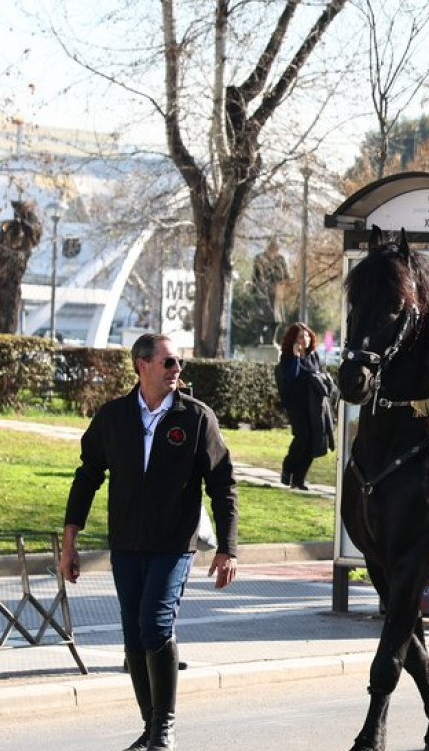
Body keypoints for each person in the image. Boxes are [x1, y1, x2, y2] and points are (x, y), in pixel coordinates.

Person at [59, 333, 239, 751]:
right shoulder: (113, 417)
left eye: (179, 364)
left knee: (155, 626)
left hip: (174, 544)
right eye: (169, 363)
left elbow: (223, 484)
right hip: (125, 544)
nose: (177, 370)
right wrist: (70, 544)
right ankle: (150, 725)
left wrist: (227, 546)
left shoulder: (195, 418)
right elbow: (86, 478)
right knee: (134, 636)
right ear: (142, 365)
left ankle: (165, 727)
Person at [274, 322, 335, 490]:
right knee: (302, 437)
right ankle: (288, 468)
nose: (305, 339)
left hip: (314, 405)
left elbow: (322, 375)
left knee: (313, 440)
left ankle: (299, 479)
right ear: (293, 339)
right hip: (297, 405)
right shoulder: (287, 357)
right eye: (301, 336)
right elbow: (290, 376)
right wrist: (295, 357)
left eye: (307, 335)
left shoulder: (314, 356)